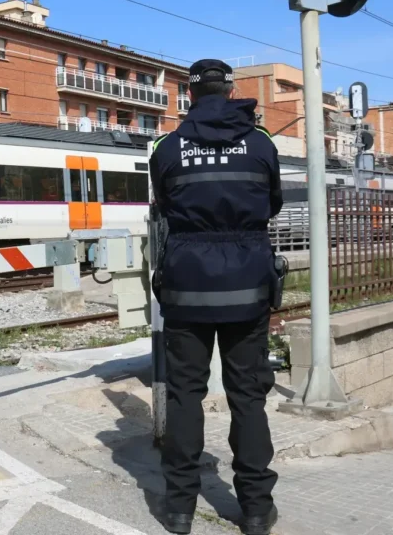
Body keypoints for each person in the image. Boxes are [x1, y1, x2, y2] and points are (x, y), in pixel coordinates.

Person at [149, 59, 283, 535]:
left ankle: (181, 508)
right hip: (248, 285)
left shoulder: (167, 147)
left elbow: (165, 207)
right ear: (230, 90)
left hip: (186, 287)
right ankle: (255, 508)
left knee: (186, 394)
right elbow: (272, 204)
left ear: (189, 93)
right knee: (248, 396)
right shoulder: (260, 142)